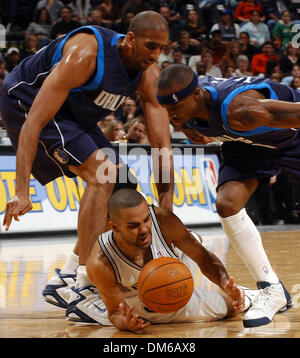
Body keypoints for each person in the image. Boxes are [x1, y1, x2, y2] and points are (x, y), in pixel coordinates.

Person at [1, 11, 174, 322]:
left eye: (162, 48)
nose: (155, 55)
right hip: (25, 102)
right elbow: (34, 122)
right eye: (151, 46)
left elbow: (162, 146)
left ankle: (65, 278)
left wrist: (166, 204)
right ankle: (85, 287)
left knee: (122, 186)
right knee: (102, 174)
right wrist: (21, 190)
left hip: (72, 114)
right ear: (130, 39)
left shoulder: (148, 74)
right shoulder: (86, 54)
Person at [156, 63, 295, 328]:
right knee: (227, 203)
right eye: (167, 109)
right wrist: (187, 126)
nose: (170, 116)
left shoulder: (243, 110)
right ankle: (271, 288)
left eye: (175, 109)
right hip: (249, 145)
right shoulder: (188, 103)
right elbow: (182, 114)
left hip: (291, 138)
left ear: (196, 94)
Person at [83, 188, 258, 331]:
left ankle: (246, 294)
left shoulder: (164, 220)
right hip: (137, 298)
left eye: (146, 220)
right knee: (230, 308)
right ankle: (85, 302)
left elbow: (203, 258)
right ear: (114, 227)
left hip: (168, 272)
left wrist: (225, 283)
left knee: (193, 242)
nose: (144, 229)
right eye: (134, 226)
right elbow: (115, 313)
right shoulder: (101, 262)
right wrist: (126, 324)